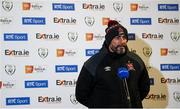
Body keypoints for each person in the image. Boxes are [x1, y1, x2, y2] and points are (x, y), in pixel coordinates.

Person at [75, 20, 150, 108]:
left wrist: (131, 103)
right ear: (109, 40)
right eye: (117, 38)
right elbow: (81, 94)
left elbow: (144, 88)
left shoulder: (136, 60)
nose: (122, 41)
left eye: (124, 37)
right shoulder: (94, 63)